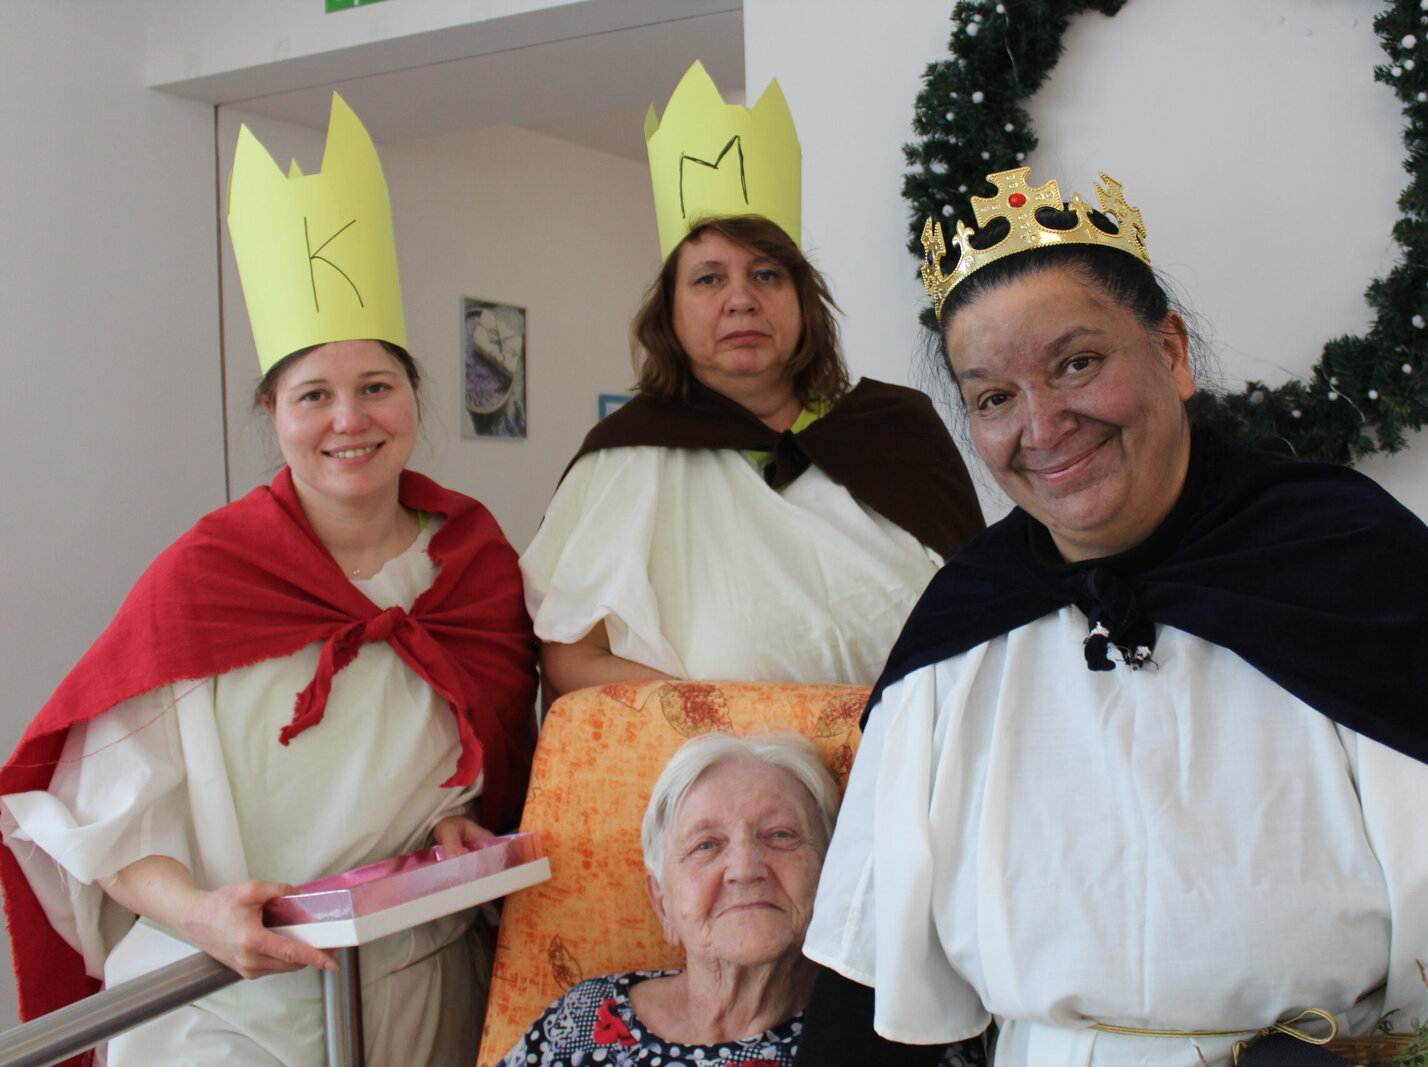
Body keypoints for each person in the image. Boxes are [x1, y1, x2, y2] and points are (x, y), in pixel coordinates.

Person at [797, 168, 1428, 1066]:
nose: (1043, 426)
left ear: (1172, 353)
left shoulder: (1351, 561)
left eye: (1076, 364)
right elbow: (866, 965)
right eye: (994, 398)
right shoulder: (959, 628)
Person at [0, 95, 538, 1066]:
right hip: (227, 997)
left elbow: (489, 750)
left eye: (376, 387)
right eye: (313, 395)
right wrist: (199, 911)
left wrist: (462, 820)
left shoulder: (471, 559)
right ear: (273, 412)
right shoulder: (210, 574)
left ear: (414, 396)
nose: (349, 420)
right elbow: (103, 805)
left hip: (416, 983)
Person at [521, 62, 983, 698]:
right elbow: (572, 660)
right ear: (670, 312)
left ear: (802, 300)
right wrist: (743, 722)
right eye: (709, 278)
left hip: (913, 748)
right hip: (720, 760)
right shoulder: (625, 458)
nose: (740, 299)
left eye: (766, 274)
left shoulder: (898, 430)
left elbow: (984, 615)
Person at [495, 732, 979, 1067]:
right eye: (706, 845)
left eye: (781, 835)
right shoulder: (584, 1016)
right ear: (662, 903)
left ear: (833, 876)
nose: (745, 868)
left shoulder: (901, 1034)